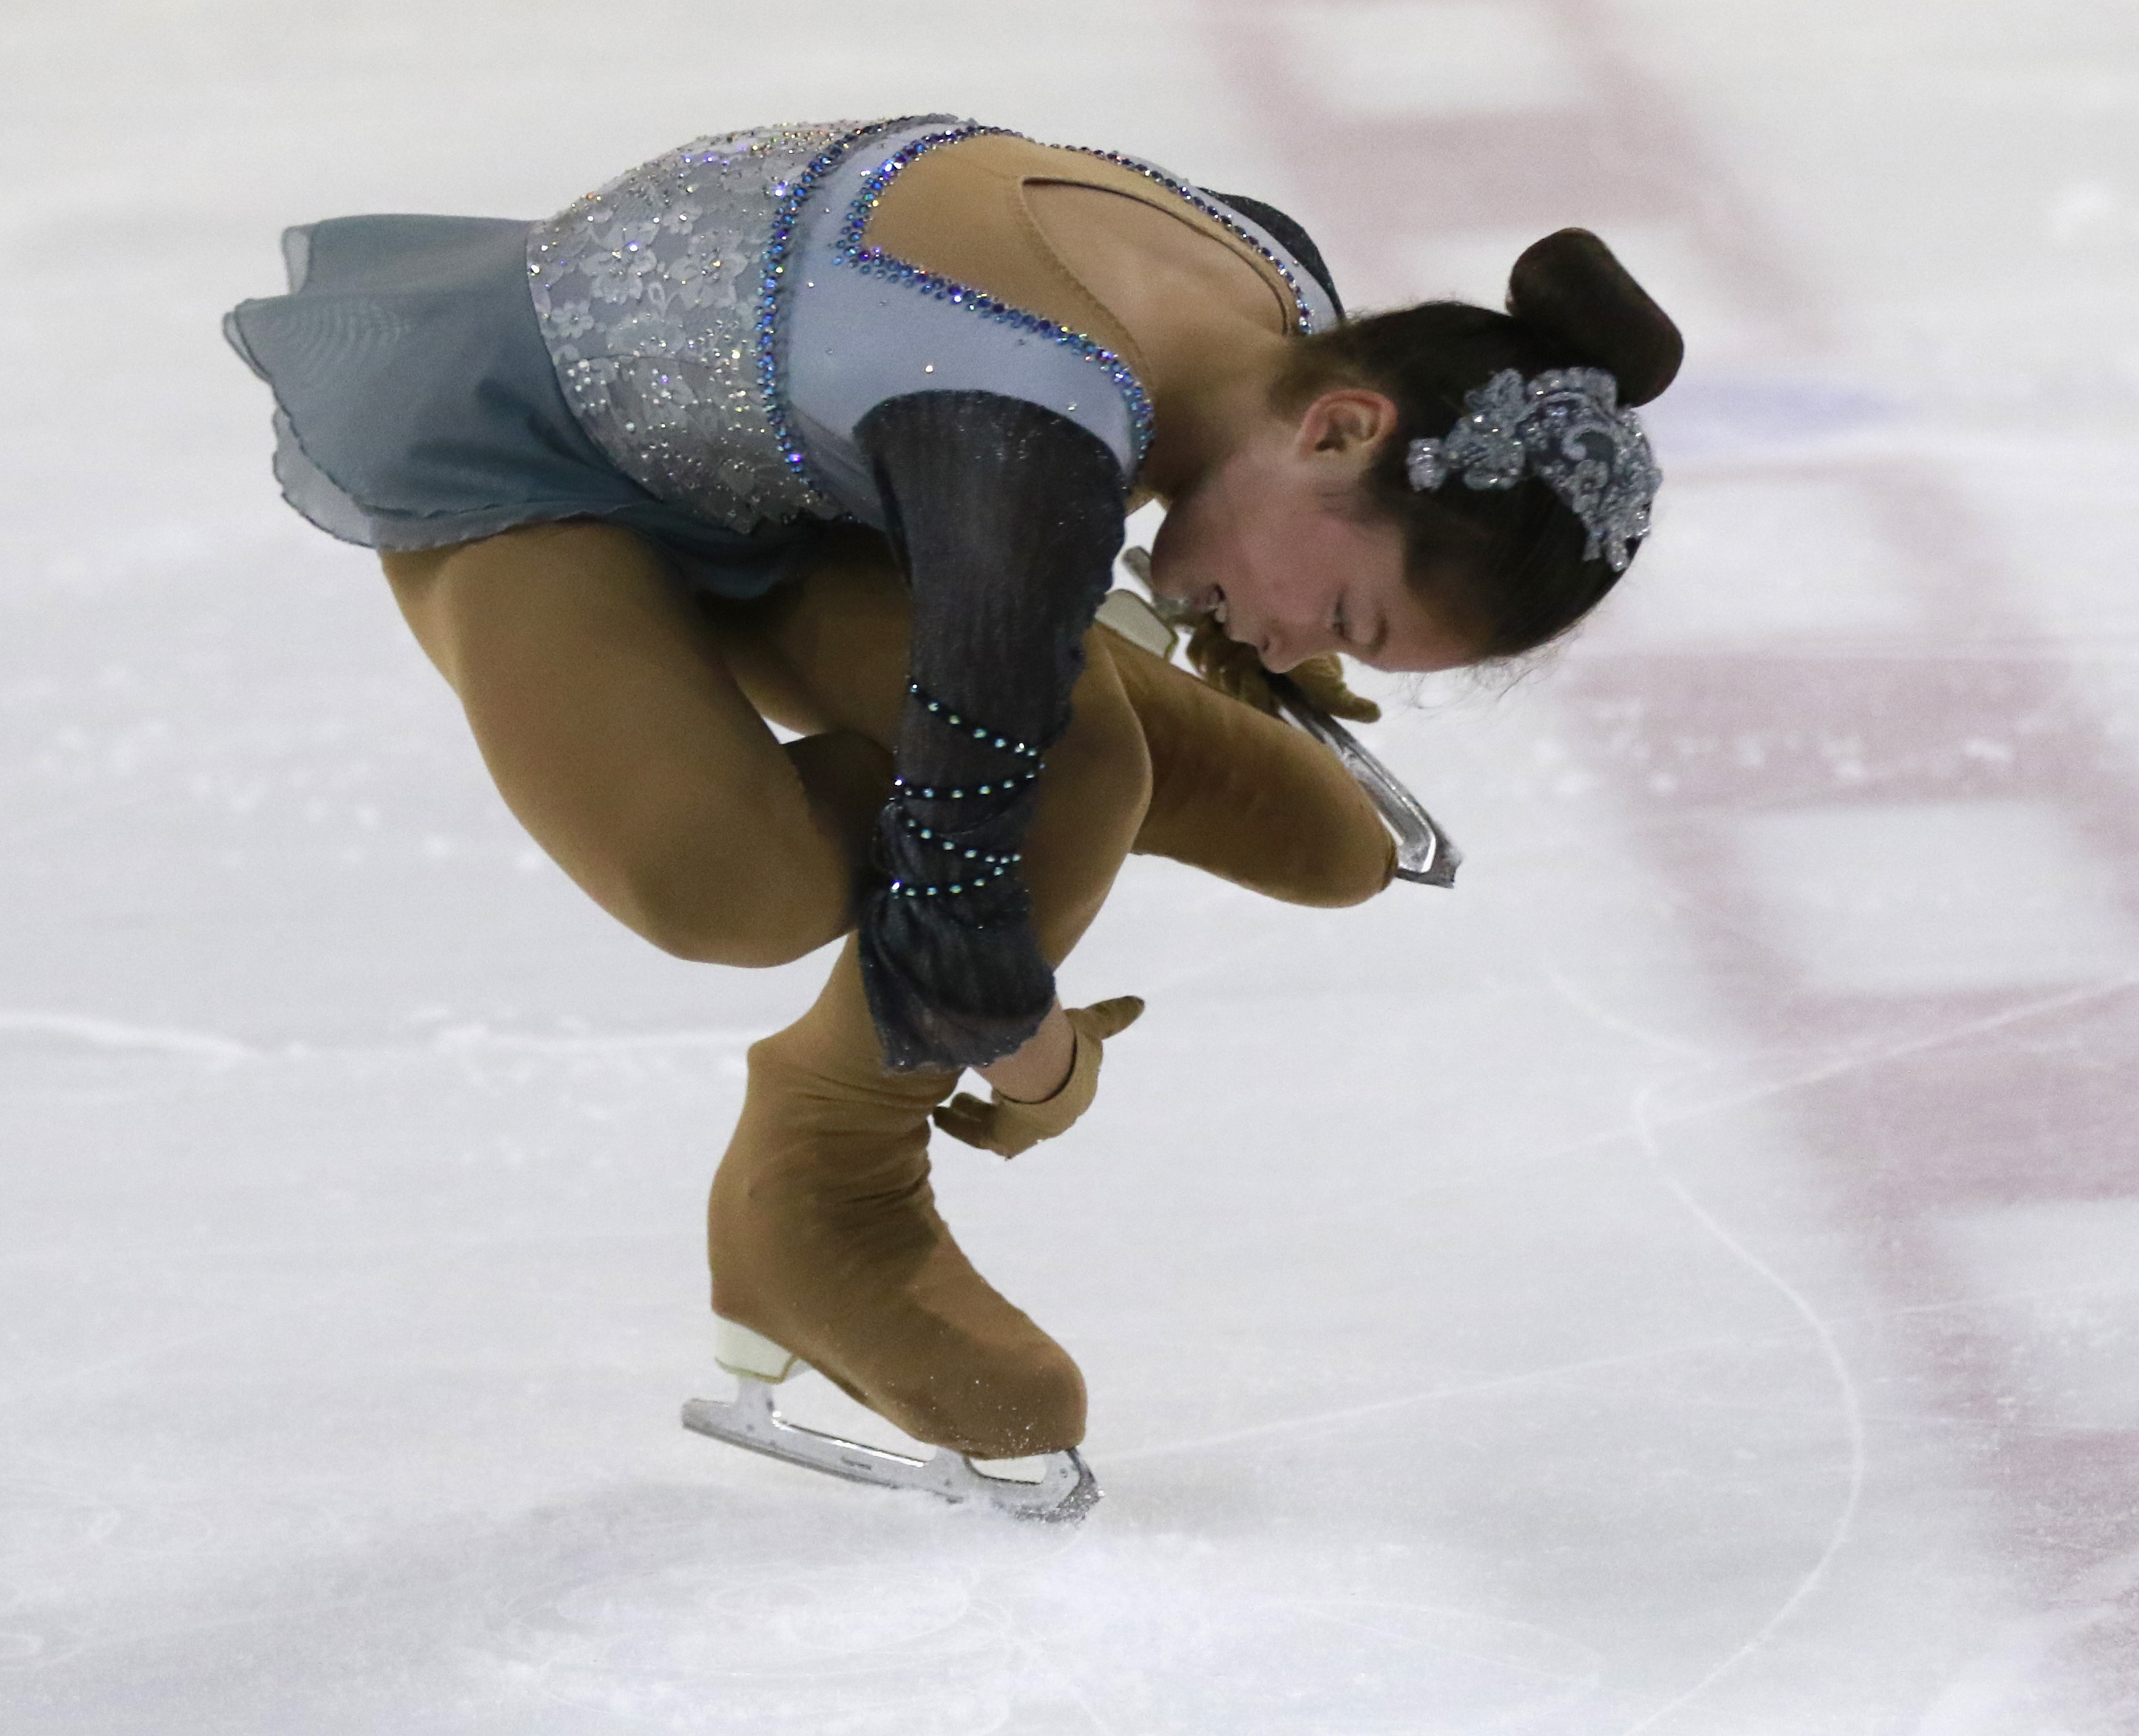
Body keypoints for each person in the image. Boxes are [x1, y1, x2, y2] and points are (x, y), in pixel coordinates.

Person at [224, 116, 1678, 1481]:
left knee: (1063, 761)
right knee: (730, 883)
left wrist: (1136, 641)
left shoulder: (1275, 297)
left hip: (815, 484)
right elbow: (954, 892)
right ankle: (829, 1187)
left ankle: (1094, 723)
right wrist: (1039, 1053)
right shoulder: (1020, 440)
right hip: (535, 457)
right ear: (1339, 432)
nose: (1296, 650)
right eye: (1345, 616)